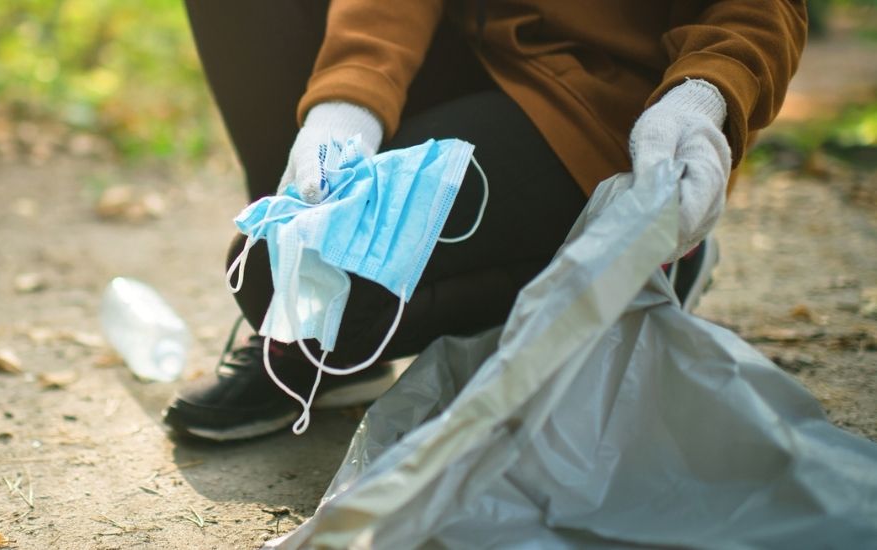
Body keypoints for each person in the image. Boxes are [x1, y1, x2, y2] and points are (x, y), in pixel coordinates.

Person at [164, 0, 808, 442]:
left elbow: (760, 8)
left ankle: (640, 254)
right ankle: (309, 335)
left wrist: (704, 97)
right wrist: (345, 103)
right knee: (284, 278)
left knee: (270, 286)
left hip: (601, 101)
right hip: (466, 56)